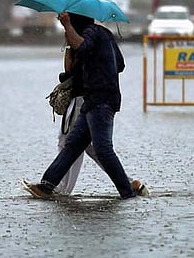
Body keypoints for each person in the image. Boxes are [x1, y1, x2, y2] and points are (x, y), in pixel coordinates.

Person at [25, 12, 144, 199]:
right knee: (73, 145)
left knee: (102, 148)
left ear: (75, 21)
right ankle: (47, 185)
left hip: (102, 99)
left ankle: (128, 191)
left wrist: (67, 27)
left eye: (69, 21)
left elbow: (83, 46)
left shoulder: (92, 33)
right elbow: (118, 64)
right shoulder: (103, 35)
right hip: (92, 100)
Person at [53, 33, 148, 196]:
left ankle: (61, 188)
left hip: (84, 100)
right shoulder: (98, 39)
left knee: (69, 143)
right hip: (89, 99)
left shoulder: (87, 41)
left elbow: (70, 70)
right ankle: (129, 183)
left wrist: (70, 42)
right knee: (92, 147)